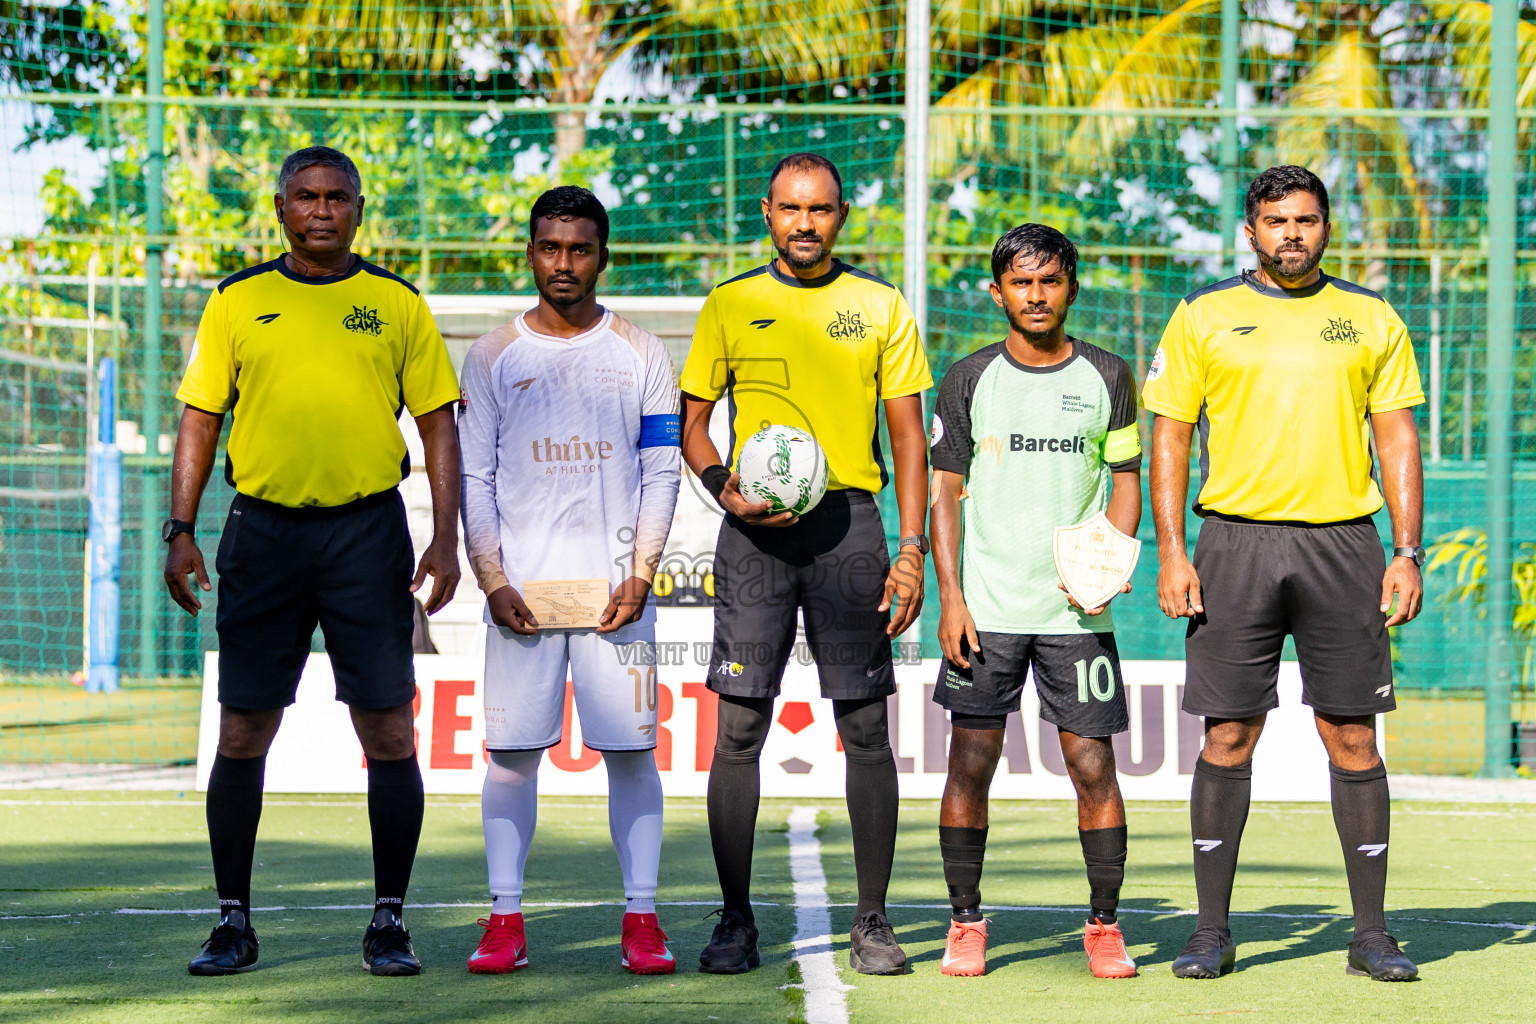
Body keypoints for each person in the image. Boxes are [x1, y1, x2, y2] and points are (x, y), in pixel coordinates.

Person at [164, 146, 462, 976]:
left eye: (337, 197)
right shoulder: (236, 302)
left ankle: (389, 921)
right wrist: (179, 526)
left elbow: (439, 422)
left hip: (367, 535)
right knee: (244, 728)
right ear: (281, 206)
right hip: (262, 535)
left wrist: (445, 534)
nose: (322, 210)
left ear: (360, 209)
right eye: (306, 196)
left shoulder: (396, 303)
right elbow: (199, 420)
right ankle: (232, 922)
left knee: (390, 729)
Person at [1143, 165, 1425, 982]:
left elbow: (1397, 439)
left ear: (1327, 225)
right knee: (1229, 733)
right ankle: (1209, 932)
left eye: (1306, 220)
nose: (1292, 234)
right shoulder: (1203, 316)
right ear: (1250, 231)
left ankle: (1370, 934)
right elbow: (1170, 436)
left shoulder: (1369, 317)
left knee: (1351, 734)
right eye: (1276, 221)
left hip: (1345, 545)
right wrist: (1171, 547)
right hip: (1234, 545)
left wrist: (1405, 551)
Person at [680, 152, 933, 976]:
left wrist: (911, 548)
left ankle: (872, 921)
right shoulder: (730, 304)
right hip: (753, 534)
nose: (804, 223)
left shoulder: (880, 305)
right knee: (741, 725)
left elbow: (906, 437)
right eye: (790, 208)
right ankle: (734, 920)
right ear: (766, 213)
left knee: (865, 725)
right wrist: (725, 490)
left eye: (820, 209)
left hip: (849, 528)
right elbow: (692, 427)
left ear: (842, 215)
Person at [458, 186, 681, 976]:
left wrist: (642, 572)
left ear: (602, 257)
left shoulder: (642, 352)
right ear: (530, 253)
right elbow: (474, 478)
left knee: (631, 756)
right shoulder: (490, 356)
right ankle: (504, 918)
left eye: (579, 249)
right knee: (512, 758)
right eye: (550, 248)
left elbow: (662, 472)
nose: (564, 264)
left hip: (618, 598)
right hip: (520, 596)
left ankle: (643, 919)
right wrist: (491, 578)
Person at [928, 225, 1142, 980]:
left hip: (1076, 616)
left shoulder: (1110, 375)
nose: (1037, 295)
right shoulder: (966, 377)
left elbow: (1124, 481)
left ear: (1072, 285)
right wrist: (951, 598)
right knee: (971, 762)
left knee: (1092, 765)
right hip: (985, 610)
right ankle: (964, 922)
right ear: (998, 293)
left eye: (1050, 281)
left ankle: (1105, 925)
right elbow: (944, 493)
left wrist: (1109, 560)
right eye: (1022, 283)